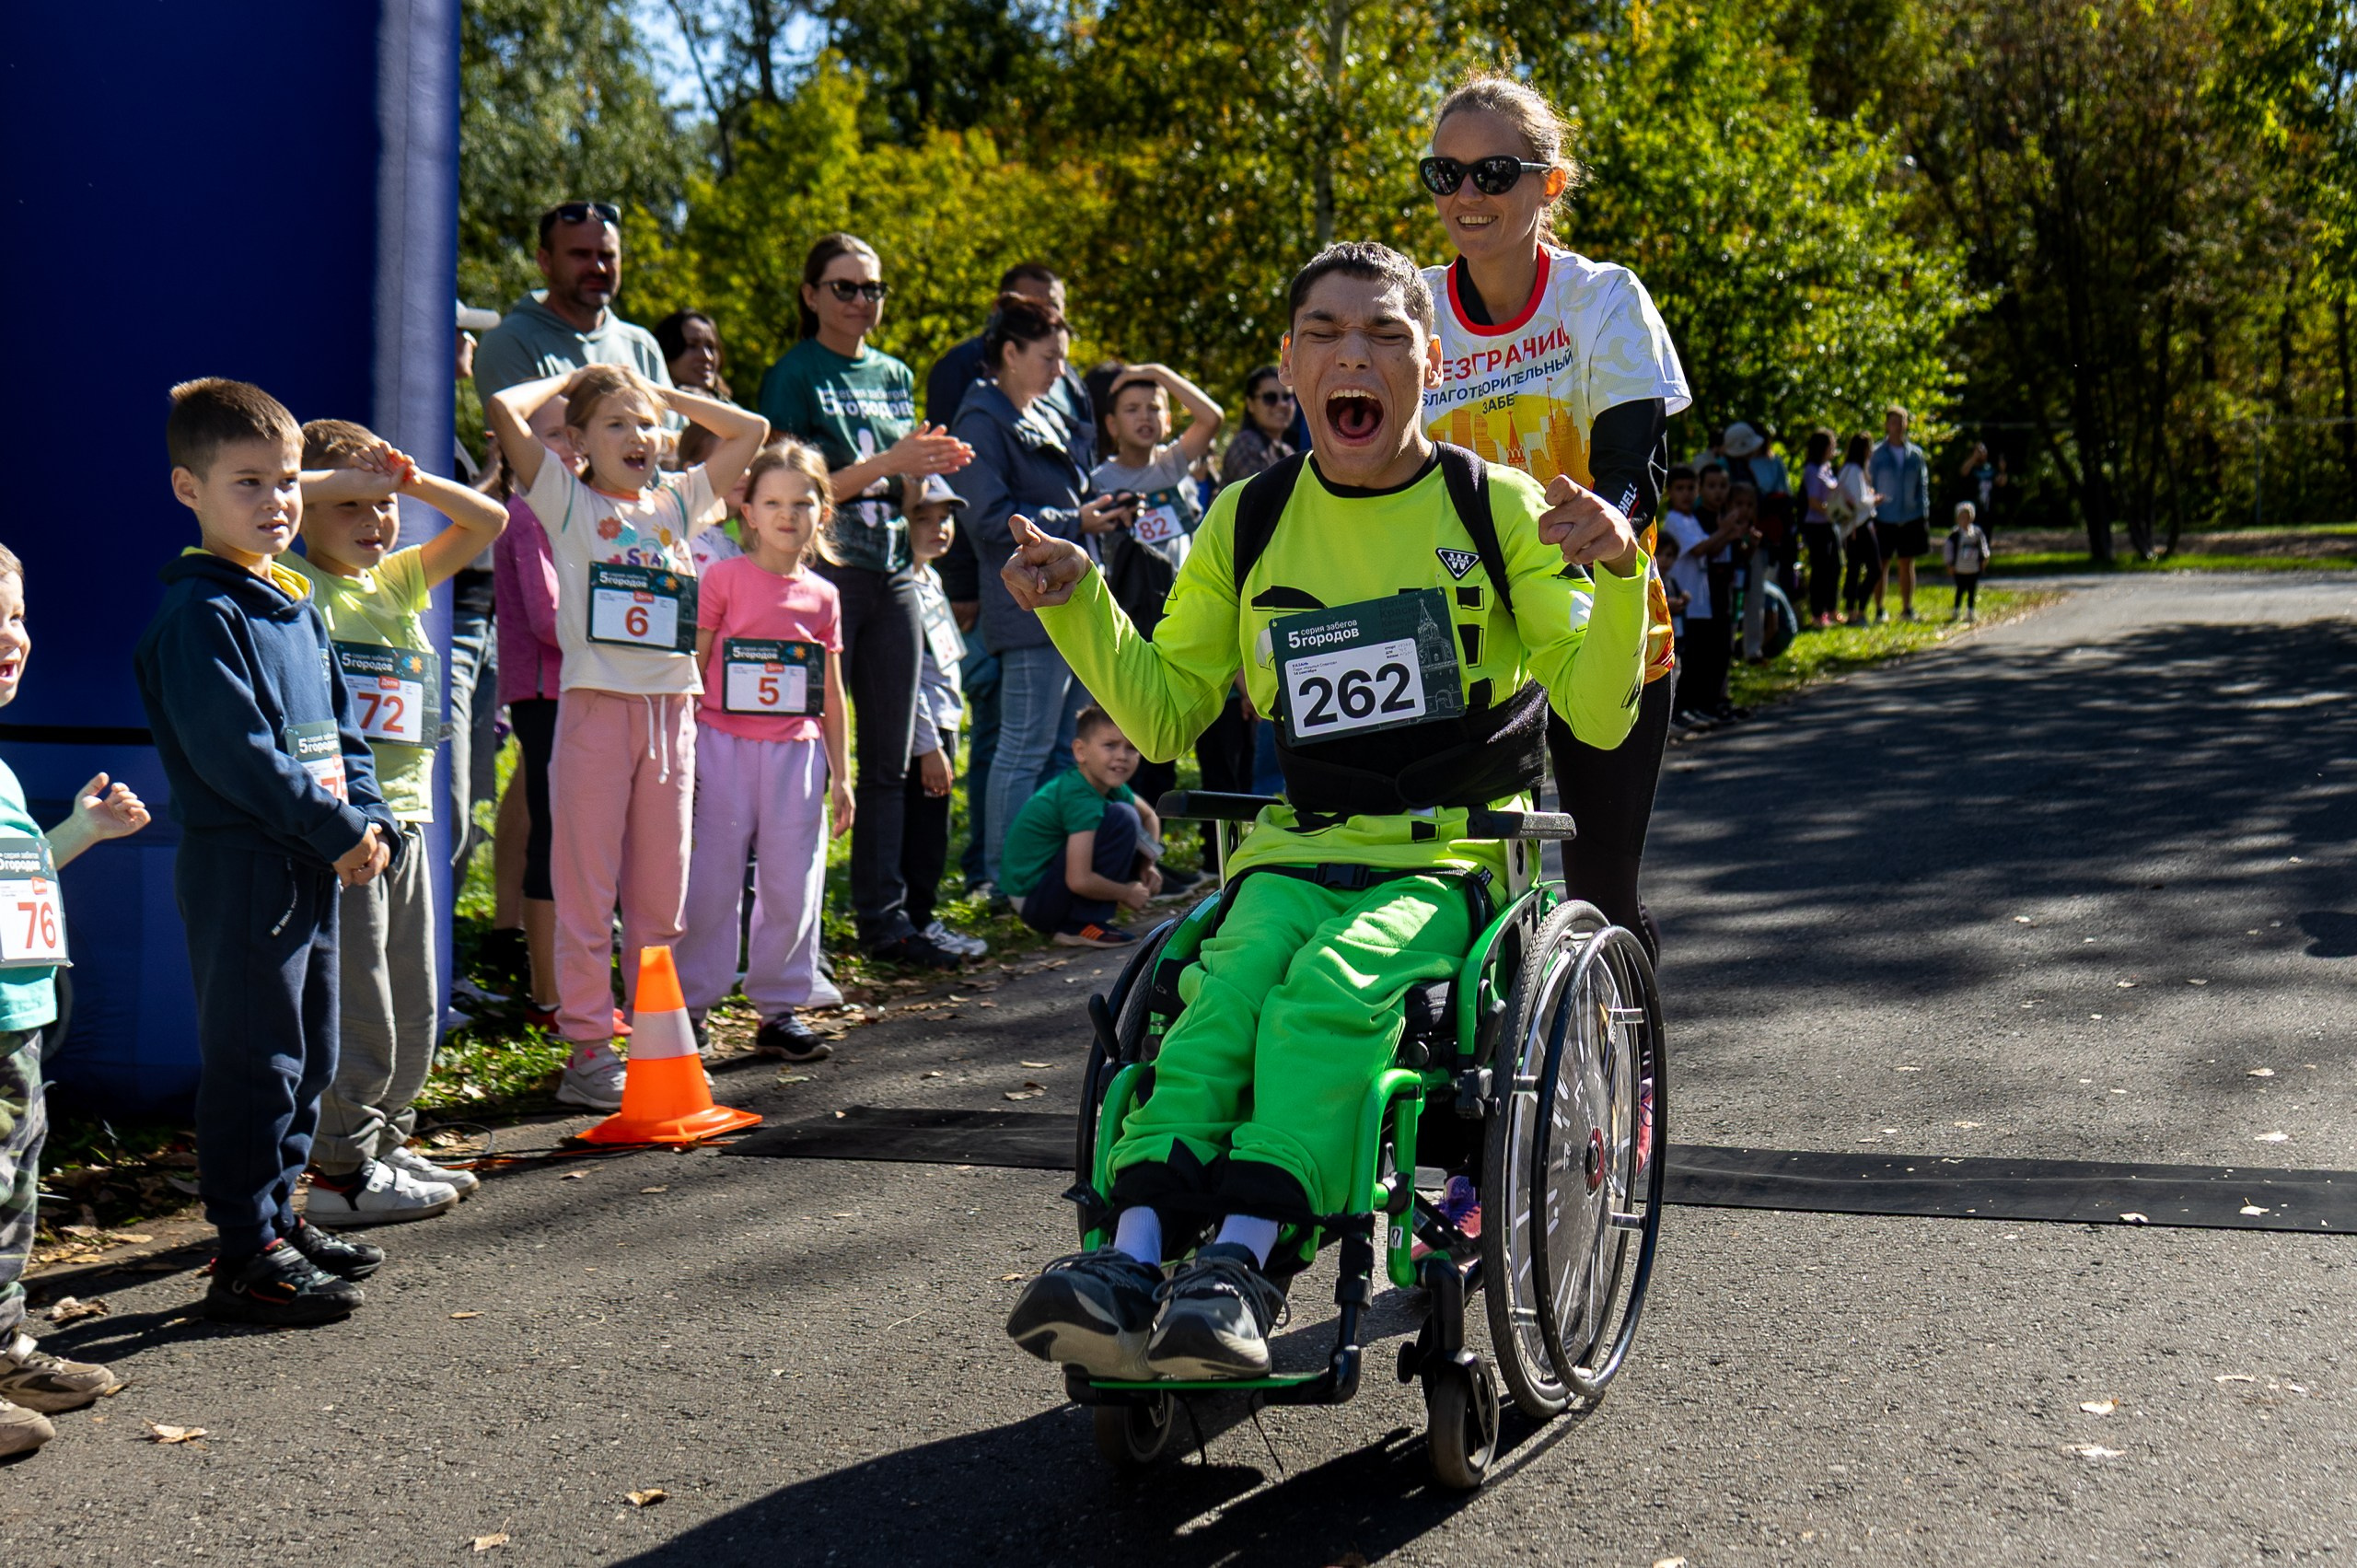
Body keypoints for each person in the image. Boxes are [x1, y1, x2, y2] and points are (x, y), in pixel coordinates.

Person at [999, 242, 1650, 1381]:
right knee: (1213, 1005)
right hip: (1289, 856)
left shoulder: (1492, 506)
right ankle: (1133, 1251)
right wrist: (1077, 603)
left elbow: (1595, 714)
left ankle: (1246, 1258)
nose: (1355, 355)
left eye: (1386, 334)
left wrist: (1614, 569)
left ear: (1429, 362)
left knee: (1331, 991)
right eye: (1325, 333)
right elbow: (1163, 715)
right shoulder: (1246, 522)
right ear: (1292, 368)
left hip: (1447, 863)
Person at [134, 378, 398, 1326]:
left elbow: (341, 734)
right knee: (258, 1059)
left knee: (310, 1046)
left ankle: (281, 1217)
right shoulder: (202, 617)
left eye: (288, 480)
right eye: (248, 482)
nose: (277, 501)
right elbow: (240, 760)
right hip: (247, 870)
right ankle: (244, 1250)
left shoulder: (292, 601)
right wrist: (337, 832)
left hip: (311, 863)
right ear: (187, 489)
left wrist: (370, 817)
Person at [1415, 72, 1690, 963]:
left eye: (1495, 173)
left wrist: (1611, 519)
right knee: (1447, 881)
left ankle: (1629, 1085)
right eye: (1445, 175)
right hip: (1463, 644)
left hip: (1597, 632)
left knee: (1600, 891)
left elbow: (1635, 467)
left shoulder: (1602, 300)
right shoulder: (1410, 313)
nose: (1468, 196)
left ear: (1549, 183)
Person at [484, 363, 769, 1109]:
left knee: (659, 896)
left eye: (645, 425)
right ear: (577, 442)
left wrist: (659, 394)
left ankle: (654, 1040)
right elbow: (502, 410)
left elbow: (752, 432)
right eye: (616, 423)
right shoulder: (566, 501)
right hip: (595, 713)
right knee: (587, 888)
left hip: (671, 714)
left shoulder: (679, 502)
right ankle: (586, 1050)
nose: (637, 436)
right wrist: (573, 379)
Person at [287, 421, 506, 1223]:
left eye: (384, 509)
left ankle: (385, 1141)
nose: (376, 521)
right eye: (351, 506)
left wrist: (405, 483)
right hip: (349, 831)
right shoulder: (292, 580)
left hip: (411, 818)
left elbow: (490, 523)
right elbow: (276, 504)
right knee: (364, 1006)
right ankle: (341, 1173)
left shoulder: (401, 580)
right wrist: (321, 483)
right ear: (303, 509)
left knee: (415, 1001)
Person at [760, 233, 972, 970]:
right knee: (805, 754)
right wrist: (890, 463)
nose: (860, 301)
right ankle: (793, 934)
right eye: (844, 287)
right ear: (811, 294)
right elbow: (790, 487)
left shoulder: (894, 371)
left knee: (888, 758)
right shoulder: (795, 373)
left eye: (872, 288)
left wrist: (930, 471)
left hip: (893, 572)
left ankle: (886, 921)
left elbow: (902, 485)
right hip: (822, 574)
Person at [471, 203, 676, 876]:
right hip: (547, 558)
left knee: (619, 808)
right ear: (544, 261)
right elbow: (523, 450)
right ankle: (521, 940)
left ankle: (609, 943)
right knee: (546, 787)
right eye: (580, 254)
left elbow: (662, 453)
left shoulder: (641, 344)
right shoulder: (511, 341)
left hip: (635, 587)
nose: (598, 268)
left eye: (607, 254)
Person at [0, 546, 149, 1456]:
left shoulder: (6, 773)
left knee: (11, 1195)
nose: (10, 639)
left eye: (15, 617)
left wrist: (79, 832)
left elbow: (18, 877)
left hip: (17, 1030)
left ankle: (6, 1347)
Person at [951, 292, 1133, 890]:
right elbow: (988, 516)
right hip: (1025, 604)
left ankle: (1047, 872)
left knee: (1062, 748)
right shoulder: (980, 419)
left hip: (1065, 601)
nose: (1062, 371)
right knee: (1024, 747)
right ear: (1010, 352)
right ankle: (1005, 880)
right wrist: (1077, 519)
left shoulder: (1041, 410)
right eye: (1051, 357)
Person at [678, 441, 853, 1063]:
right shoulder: (721, 577)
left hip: (796, 757)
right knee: (710, 880)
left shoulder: (824, 597)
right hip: (721, 746)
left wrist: (842, 773)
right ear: (746, 511)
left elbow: (830, 690)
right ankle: (691, 1007)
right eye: (773, 501)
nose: (788, 514)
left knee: (792, 883)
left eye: (802, 502)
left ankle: (779, 1008)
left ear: (822, 512)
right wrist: (684, 745)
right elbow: (693, 665)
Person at [1090, 362, 1225, 891]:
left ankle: (1181, 859)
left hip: (1186, 616)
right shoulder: (1098, 480)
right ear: (1111, 423)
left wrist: (1156, 372)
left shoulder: (1171, 467)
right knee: (1142, 744)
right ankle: (1142, 860)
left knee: (1188, 742)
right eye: (1131, 409)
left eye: (1154, 407)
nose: (1145, 417)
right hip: (1132, 619)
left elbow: (1211, 418)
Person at [902, 476, 989, 958]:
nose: (939, 528)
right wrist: (927, 745)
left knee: (934, 832)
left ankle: (923, 918)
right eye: (924, 517)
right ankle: (915, 923)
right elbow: (905, 677)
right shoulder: (900, 586)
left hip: (945, 722)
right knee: (920, 835)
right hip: (924, 733)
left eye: (946, 517)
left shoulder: (931, 578)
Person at [998, 708, 1166, 948]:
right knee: (1123, 817)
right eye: (1110, 745)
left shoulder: (1108, 784)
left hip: (1046, 891)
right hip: (1037, 901)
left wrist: (1148, 864)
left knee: (1125, 814)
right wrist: (1125, 892)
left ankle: (1085, 917)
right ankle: (1078, 924)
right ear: (1080, 751)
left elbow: (1150, 816)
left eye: (1131, 748)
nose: (1122, 756)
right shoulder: (1078, 796)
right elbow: (1079, 880)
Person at [1868, 404, 1931, 621]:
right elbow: (1869, 484)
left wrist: (1923, 511)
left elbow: (1923, 485)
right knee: (1881, 564)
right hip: (1884, 516)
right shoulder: (1876, 454)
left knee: (1907, 563)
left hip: (1910, 516)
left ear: (1906, 425)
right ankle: (1879, 608)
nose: (1897, 426)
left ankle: (1907, 608)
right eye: (1892, 422)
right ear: (1886, 425)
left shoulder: (1915, 455)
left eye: (1901, 422)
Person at [1217, 366, 1297, 489]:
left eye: (1287, 397)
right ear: (1250, 404)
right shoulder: (1246, 444)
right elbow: (1265, 498)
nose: (1281, 404)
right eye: (1270, 398)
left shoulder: (1287, 452)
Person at [1833, 433, 1883, 623]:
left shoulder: (1846, 469)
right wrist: (1875, 499)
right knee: (1874, 568)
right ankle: (1859, 609)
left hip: (1850, 527)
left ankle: (1852, 609)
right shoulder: (1854, 470)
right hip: (1859, 525)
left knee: (1854, 568)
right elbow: (1858, 500)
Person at [1798, 429, 1842, 627]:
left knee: (1835, 566)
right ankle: (1817, 614)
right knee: (1820, 570)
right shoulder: (1812, 470)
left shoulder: (1827, 468)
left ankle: (1831, 609)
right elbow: (1813, 501)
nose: (1834, 449)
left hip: (1829, 523)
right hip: (1816, 526)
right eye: (1831, 445)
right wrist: (1833, 511)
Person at [655, 308, 730, 401]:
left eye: (711, 347)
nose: (707, 357)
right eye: (692, 346)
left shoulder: (735, 411)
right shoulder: (645, 407)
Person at [1945, 501, 1991, 621]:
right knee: (1960, 590)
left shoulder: (1977, 533)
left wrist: (1985, 558)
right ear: (1957, 519)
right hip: (1959, 568)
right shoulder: (1954, 535)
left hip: (1973, 568)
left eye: (1967, 517)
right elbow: (1948, 550)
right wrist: (1949, 564)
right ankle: (1956, 610)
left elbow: (1983, 546)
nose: (1965, 520)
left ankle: (1970, 611)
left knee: (1972, 590)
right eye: (1962, 517)